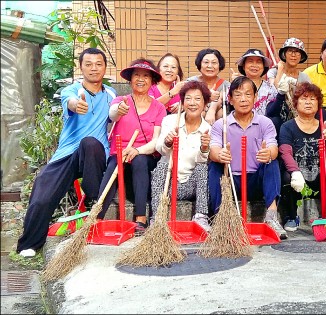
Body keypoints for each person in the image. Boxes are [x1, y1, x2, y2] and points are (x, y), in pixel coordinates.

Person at [16, 48, 116, 258]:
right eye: (88, 64)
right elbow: (70, 103)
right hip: (68, 153)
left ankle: (92, 198)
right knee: (42, 190)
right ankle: (30, 243)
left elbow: (116, 116)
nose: (94, 68)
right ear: (81, 68)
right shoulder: (71, 91)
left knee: (91, 142)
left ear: (105, 67)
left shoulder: (111, 94)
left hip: (95, 155)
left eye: (98, 64)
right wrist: (76, 104)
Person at [207, 76, 287, 239]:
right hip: (231, 180)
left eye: (248, 94)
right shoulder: (220, 125)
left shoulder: (265, 123)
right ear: (230, 99)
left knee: (272, 162)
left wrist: (269, 153)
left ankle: (271, 217)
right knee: (214, 166)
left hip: (255, 180)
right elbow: (212, 150)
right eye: (237, 95)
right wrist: (219, 155)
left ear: (255, 97)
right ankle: (219, 218)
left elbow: (273, 147)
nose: (243, 99)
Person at [96, 58, 166, 235]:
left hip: (145, 155)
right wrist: (118, 110)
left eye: (145, 76)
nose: (140, 79)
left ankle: (141, 217)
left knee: (141, 161)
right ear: (130, 79)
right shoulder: (121, 101)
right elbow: (113, 115)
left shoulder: (158, 107)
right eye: (136, 75)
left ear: (152, 81)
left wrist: (137, 150)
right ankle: (96, 217)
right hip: (119, 154)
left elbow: (156, 142)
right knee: (113, 165)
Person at [278, 82, 326, 231]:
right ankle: (291, 216)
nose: (308, 102)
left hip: (317, 175)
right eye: (304, 98)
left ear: (318, 104)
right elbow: (285, 152)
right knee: (286, 177)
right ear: (296, 103)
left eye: (313, 99)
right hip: (297, 177)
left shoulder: (323, 126)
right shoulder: (287, 127)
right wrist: (295, 171)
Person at [151, 80, 212, 231]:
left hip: (190, 185)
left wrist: (205, 148)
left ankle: (201, 216)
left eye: (198, 99)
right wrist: (168, 141)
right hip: (168, 184)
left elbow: (202, 160)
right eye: (188, 99)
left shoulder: (207, 129)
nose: (192, 103)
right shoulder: (170, 121)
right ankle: (157, 218)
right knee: (162, 165)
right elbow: (160, 149)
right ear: (182, 102)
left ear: (205, 104)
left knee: (203, 168)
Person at [266, 37, 311, 135]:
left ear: (301, 56)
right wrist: (280, 71)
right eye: (290, 51)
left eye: (297, 52)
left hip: (296, 112)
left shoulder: (304, 77)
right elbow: (276, 89)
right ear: (284, 54)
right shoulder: (273, 72)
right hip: (277, 110)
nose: (293, 55)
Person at [231, 49, 280, 117]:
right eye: (250, 61)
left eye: (258, 62)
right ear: (243, 66)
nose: (254, 65)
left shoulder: (270, 89)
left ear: (263, 67)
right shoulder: (233, 87)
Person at [188, 48, 230, 125]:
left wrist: (212, 109)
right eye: (206, 62)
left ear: (219, 65)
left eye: (214, 63)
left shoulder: (226, 85)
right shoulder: (190, 83)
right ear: (199, 64)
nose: (210, 66)